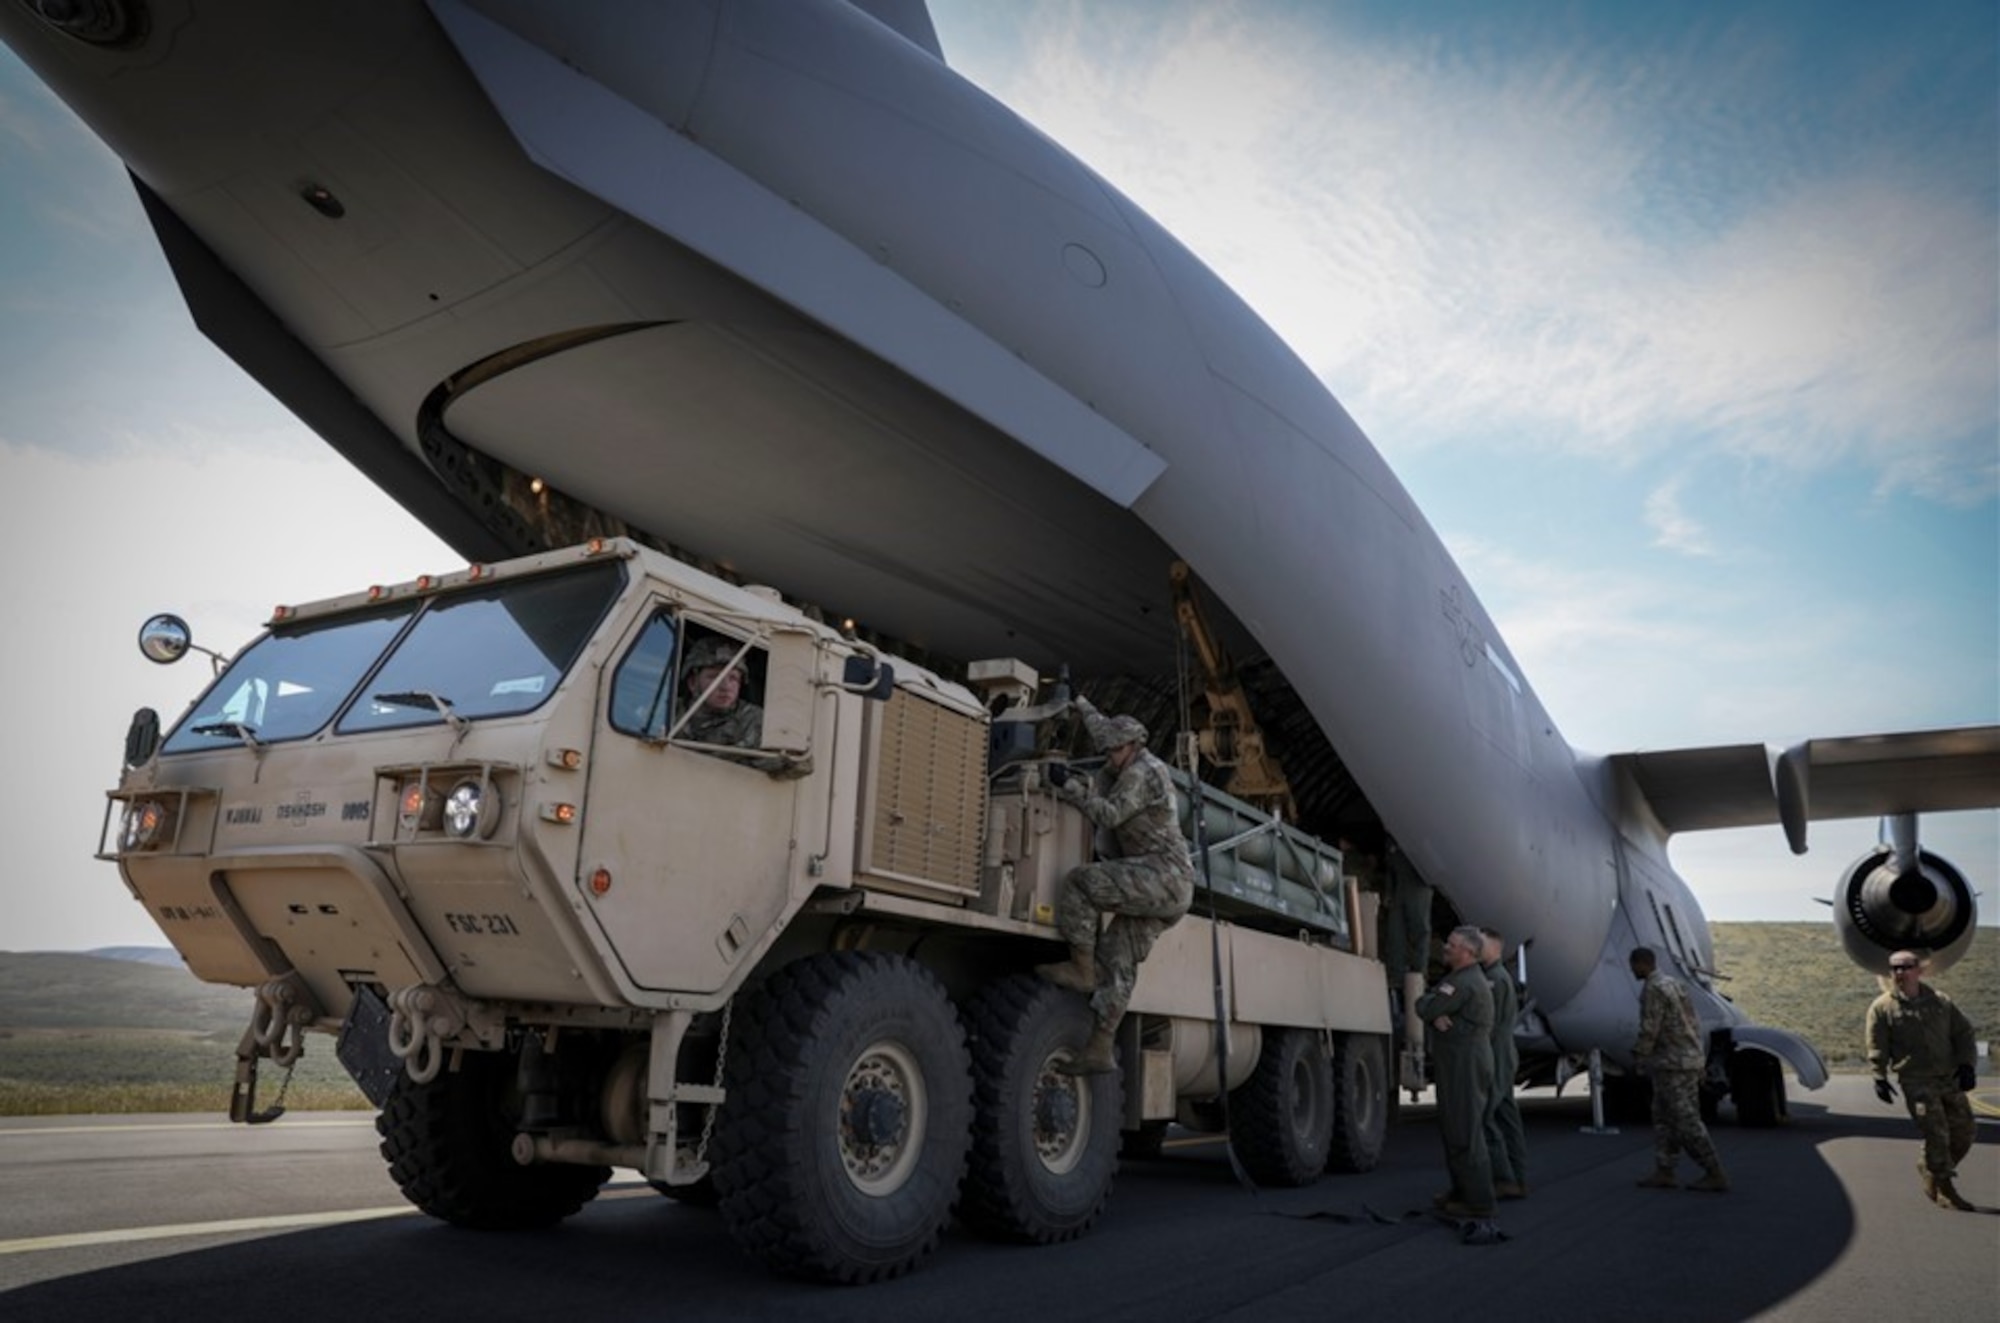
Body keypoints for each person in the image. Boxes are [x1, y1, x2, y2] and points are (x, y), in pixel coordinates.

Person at [1036, 696, 1196, 1075]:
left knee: (1080, 882)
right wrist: (1081, 703)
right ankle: (1100, 1047)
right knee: (1118, 959)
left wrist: (1069, 787)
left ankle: (1081, 970)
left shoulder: (1142, 773)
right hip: (1171, 886)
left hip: (1162, 875)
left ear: (1132, 746)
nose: (1107, 757)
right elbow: (1104, 728)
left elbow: (1109, 814)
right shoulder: (1128, 753)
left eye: (1113, 751)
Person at [1866, 949, 1978, 1211]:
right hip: (1917, 1081)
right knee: (1937, 1134)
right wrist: (1879, 1076)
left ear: (1920, 970)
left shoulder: (1941, 1002)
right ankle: (1945, 1189)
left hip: (1948, 1077)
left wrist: (1966, 1065)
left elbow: (1963, 1033)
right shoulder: (1882, 1007)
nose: (1900, 973)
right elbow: (1877, 1044)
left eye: (1906, 967)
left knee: (1965, 1131)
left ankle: (1929, 1167)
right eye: (1895, 968)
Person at [1628, 946, 1728, 1193]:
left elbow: (1650, 1027)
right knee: (1663, 1118)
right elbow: (1693, 1022)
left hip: (1673, 1065)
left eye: (1633, 966)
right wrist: (1698, 1056)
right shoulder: (1674, 984)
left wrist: (1639, 1056)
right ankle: (1665, 1170)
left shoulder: (1653, 989)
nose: (1632, 971)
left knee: (1686, 1120)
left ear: (1641, 964)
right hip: (1683, 1060)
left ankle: (1714, 1171)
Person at [1415, 925, 1496, 1218]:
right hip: (1460, 1061)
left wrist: (1433, 1012)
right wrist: (1435, 1015)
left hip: (1465, 1062)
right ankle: (1463, 1190)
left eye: (1451, 944)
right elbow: (1428, 1006)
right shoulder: (1460, 979)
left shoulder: (1462, 983)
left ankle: (1479, 1200)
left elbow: (1424, 1006)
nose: (1446, 948)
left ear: (1468, 952)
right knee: (1455, 1128)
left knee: (1465, 1131)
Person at [1479, 927, 1528, 1199]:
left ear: (1495, 948)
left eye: (1481, 943)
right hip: (1503, 1054)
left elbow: (1488, 1024)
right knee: (1508, 1118)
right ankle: (1518, 1177)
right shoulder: (1497, 976)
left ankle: (1504, 1178)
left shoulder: (1493, 979)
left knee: (1486, 1117)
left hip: (1495, 1055)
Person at [678, 635, 764, 748]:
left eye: (733, 678)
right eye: (714, 677)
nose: (726, 687)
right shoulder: (668, 711)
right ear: (693, 683)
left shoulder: (754, 721)